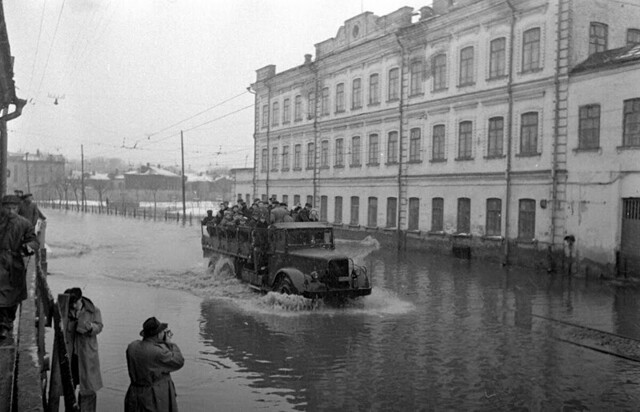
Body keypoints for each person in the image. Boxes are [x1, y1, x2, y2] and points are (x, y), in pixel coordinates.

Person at [125, 317, 185, 412]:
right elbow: (179, 361)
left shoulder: (132, 347)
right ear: (158, 334)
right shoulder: (158, 352)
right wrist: (170, 344)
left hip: (134, 395)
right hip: (154, 397)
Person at [0, 195, 39, 340]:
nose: (10, 211)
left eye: (14, 208)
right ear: (2, 207)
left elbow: (34, 240)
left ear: (18, 208)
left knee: (12, 295)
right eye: (7, 208)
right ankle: (3, 324)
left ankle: (7, 323)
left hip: (13, 262)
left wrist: (27, 247)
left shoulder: (24, 224)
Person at [64, 287, 103, 411]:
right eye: (71, 303)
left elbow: (100, 326)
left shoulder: (93, 310)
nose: (73, 305)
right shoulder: (66, 308)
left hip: (86, 353)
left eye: (75, 302)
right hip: (71, 353)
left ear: (80, 299)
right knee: (70, 385)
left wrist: (90, 327)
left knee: (88, 387)